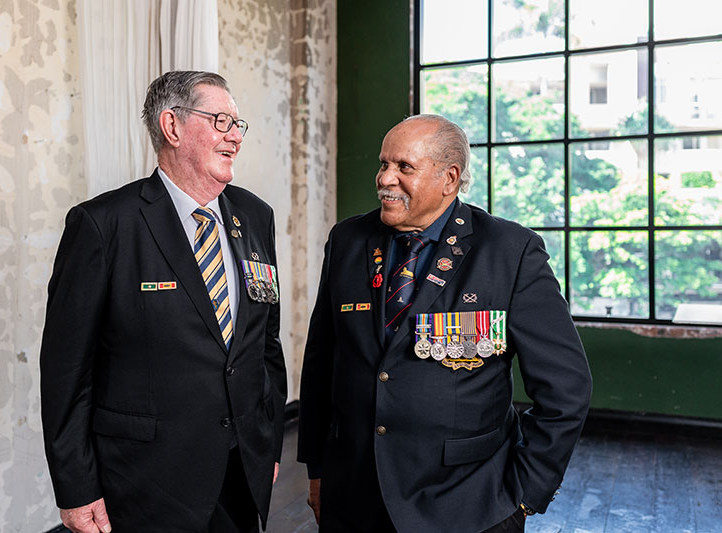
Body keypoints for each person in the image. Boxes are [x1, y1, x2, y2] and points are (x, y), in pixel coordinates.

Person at [297, 114, 592, 532]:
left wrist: (526, 494)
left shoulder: (510, 251)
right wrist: (317, 469)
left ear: (449, 178)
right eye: (384, 164)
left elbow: (566, 386)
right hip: (354, 495)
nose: (385, 179)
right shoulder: (348, 240)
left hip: (468, 503)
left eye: (404, 167)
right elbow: (321, 363)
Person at [41, 71, 287, 533]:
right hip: (146, 482)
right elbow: (66, 371)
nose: (236, 136)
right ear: (172, 126)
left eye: (238, 124)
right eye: (220, 121)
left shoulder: (256, 216)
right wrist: (75, 485)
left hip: (241, 470)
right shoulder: (103, 225)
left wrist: (268, 444)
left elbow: (265, 345)